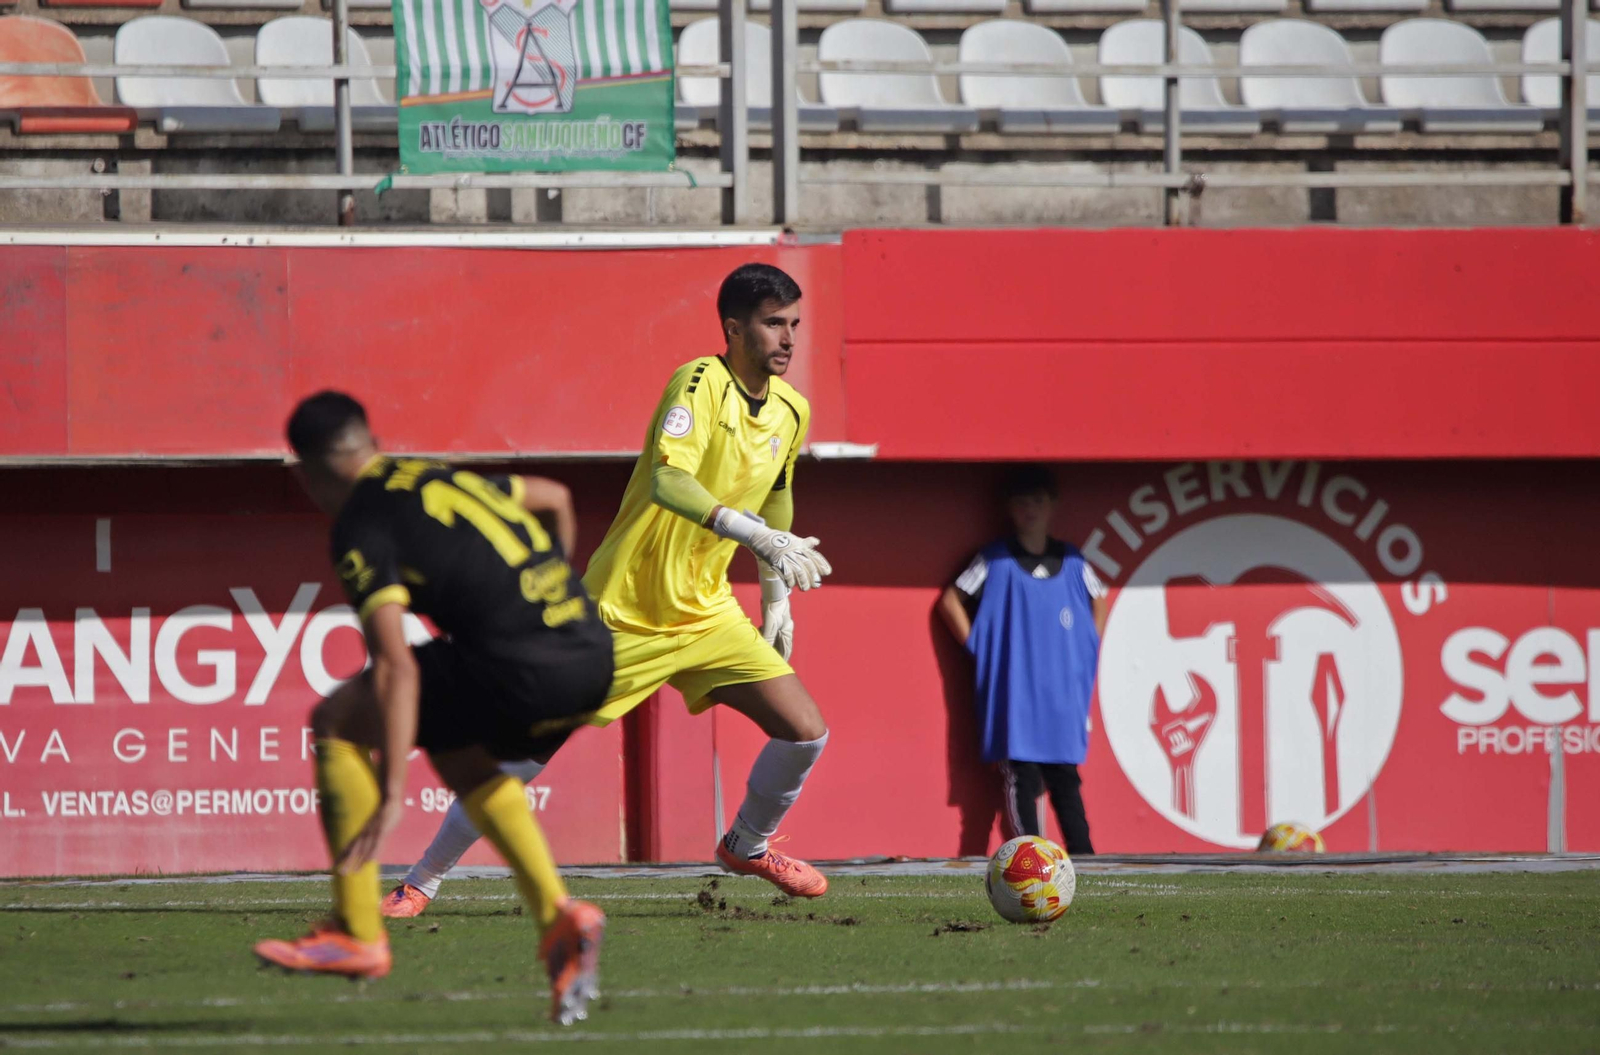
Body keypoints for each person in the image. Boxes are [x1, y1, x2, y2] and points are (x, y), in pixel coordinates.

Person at [381, 262, 834, 919]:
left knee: (804, 731)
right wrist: (757, 538)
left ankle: (748, 844)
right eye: (773, 324)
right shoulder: (699, 384)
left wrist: (776, 590)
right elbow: (669, 484)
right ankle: (420, 881)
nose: (788, 338)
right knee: (519, 757)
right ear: (735, 329)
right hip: (620, 611)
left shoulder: (793, 409)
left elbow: (779, 494)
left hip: (706, 612)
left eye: (794, 324)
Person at [254, 392, 615, 1027]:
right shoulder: (426, 473)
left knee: (336, 720)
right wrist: (549, 598)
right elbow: (554, 496)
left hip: (523, 669)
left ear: (309, 473)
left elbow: (393, 667)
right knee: (460, 754)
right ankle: (559, 919)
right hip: (591, 653)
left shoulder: (359, 522)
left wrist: (391, 787)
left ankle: (358, 931)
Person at [936, 465, 1108, 856]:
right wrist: (980, 646)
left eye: (1038, 501)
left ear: (1052, 506)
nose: (1029, 509)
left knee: (1066, 777)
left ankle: (1087, 860)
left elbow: (1101, 596)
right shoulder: (994, 560)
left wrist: (1086, 644)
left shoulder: (1074, 562)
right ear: (1008, 508)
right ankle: (1027, 857)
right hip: (1015, 693)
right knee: (1021, 776)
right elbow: (951, 601)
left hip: (1060, 693)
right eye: (1021, 502)